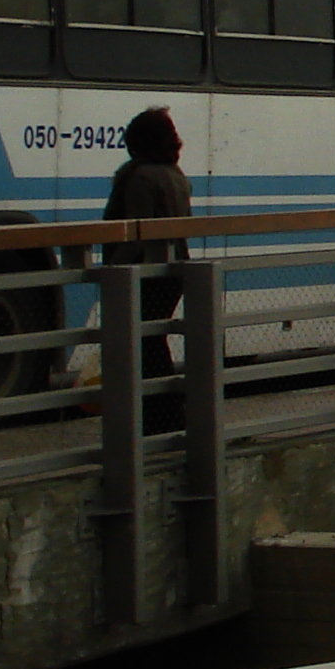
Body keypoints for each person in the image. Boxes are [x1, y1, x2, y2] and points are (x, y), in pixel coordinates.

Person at [102, 107, 191, 433]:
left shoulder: (139, 177)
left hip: (145, 273)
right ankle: (168, 413)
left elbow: (136, 234)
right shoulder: (176, 176)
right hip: (174, 271)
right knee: (154, 341)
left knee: (143, 345)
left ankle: (158, 417)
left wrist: (110, 268)